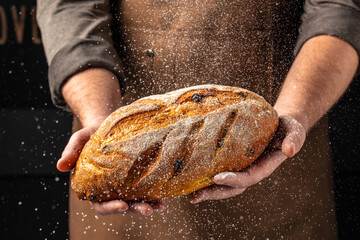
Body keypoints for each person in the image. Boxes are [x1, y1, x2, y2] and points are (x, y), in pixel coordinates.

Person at [37, 0, 359, 239]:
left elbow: (338, 9)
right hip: (125, 193)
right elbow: (69, 7)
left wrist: (292, 115)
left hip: (277, 187)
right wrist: (99, 118)